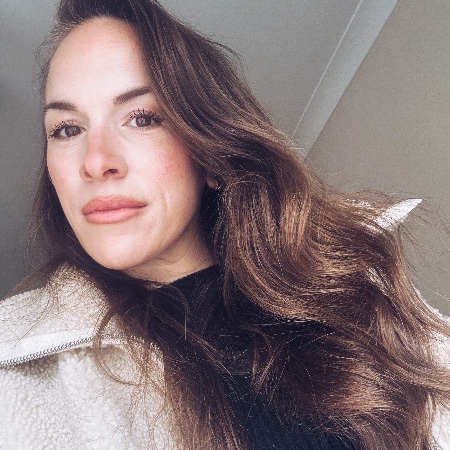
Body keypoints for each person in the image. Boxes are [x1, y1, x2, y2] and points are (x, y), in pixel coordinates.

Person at [0, 0, 449, 448]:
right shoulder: (18, 369)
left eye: (142, 118)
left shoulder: (355, 291)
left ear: (210, 156)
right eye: (67, 129)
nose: (96, 162)